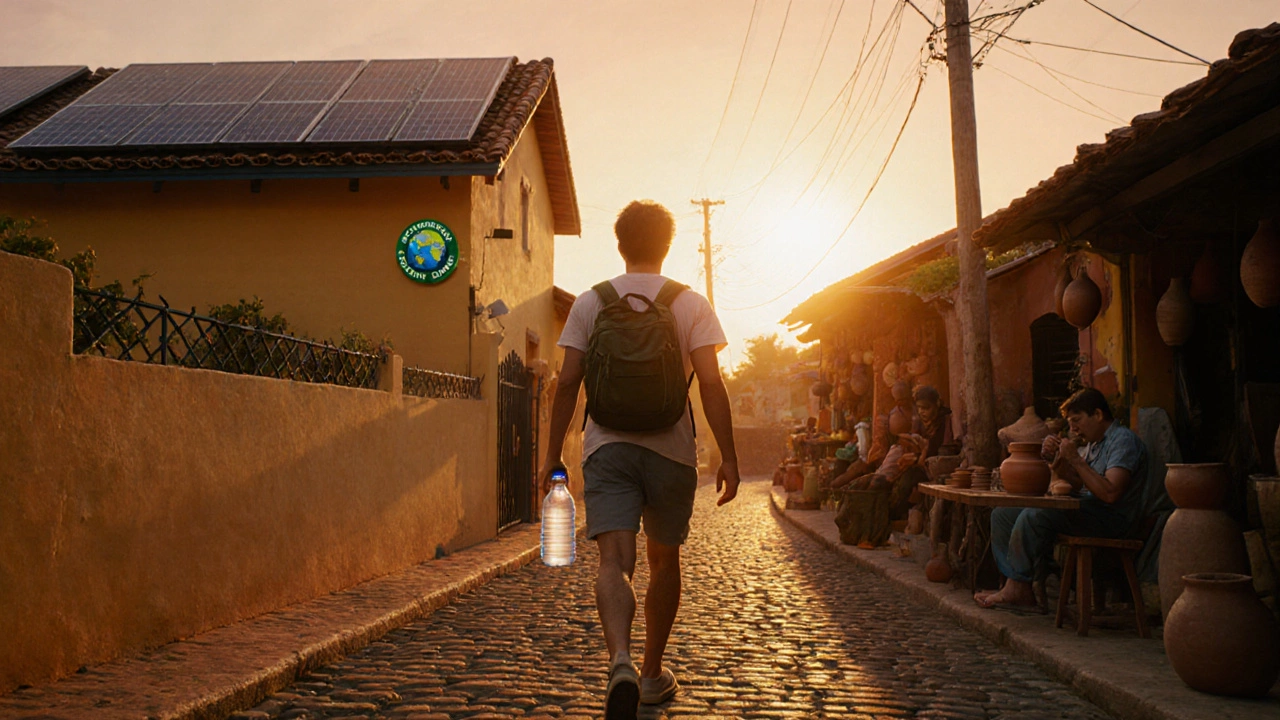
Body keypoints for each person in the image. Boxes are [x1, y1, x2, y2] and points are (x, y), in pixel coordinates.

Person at [538, 200, 740, 720]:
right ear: (667, 246)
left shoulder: (590, 303)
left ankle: (620, 660)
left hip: (607, 448)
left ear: (621, 245)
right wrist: (729, 458)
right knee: (663, 561)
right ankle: (651, 675)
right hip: (672, 453)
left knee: (614, 562)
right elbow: (712, 386)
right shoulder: (689, 303)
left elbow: (566, 384)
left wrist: (552, 456)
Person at [975, 387, 1148, 609]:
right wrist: (1056, 460)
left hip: (1113, 519)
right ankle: (1019, 586)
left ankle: (1017, 588)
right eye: (1070, 423)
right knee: (1003, 514)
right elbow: (1078, 483)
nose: (1073, 429)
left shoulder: (1123, 440)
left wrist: (1075, 459)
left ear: (1097, 414)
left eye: (1077, 420)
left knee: (1034, 515)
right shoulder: (1094, 443)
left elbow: (1110, 493)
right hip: (1087, 511)